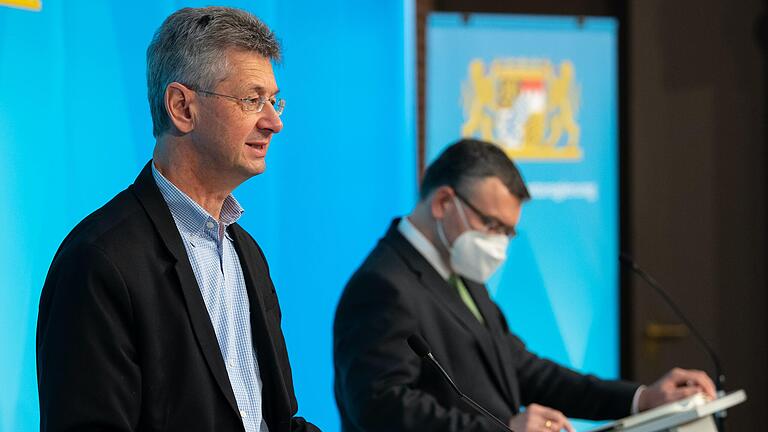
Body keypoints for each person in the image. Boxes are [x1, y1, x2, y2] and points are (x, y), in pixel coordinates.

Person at [37, 7, 319, 432]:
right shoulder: (99, 261)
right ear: (182, 107)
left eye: (273, 100)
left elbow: (273, 421)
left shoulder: (246, 254)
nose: (273, 122)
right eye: (251, 99)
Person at [333, 139, 715, 432]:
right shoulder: (382, 285)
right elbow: (380, 408)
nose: (499, 242)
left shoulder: (459, 271)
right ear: (444, 203)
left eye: (508, 232)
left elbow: (523, 371)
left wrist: (642, 399)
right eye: (492, 225)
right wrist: (505, 429)